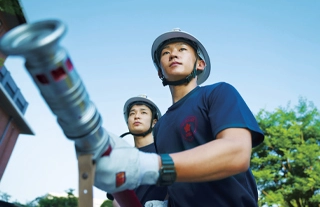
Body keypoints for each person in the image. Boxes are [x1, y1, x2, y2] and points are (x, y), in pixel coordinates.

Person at [94, 28, 265, 207]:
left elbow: (236, 153)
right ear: (160, 72)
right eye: (166, 52)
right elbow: (174, 183)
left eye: (182, 49)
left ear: (200, 64)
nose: (173, 54)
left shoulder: (219, 92)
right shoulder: (160, 126)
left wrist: (148, 166)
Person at [107, 95, 167, 207]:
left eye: (143, 112)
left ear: (154, 122)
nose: (136, 116)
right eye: (132, 113)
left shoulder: (165, 151)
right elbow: (117, 198)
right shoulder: (121, 159)